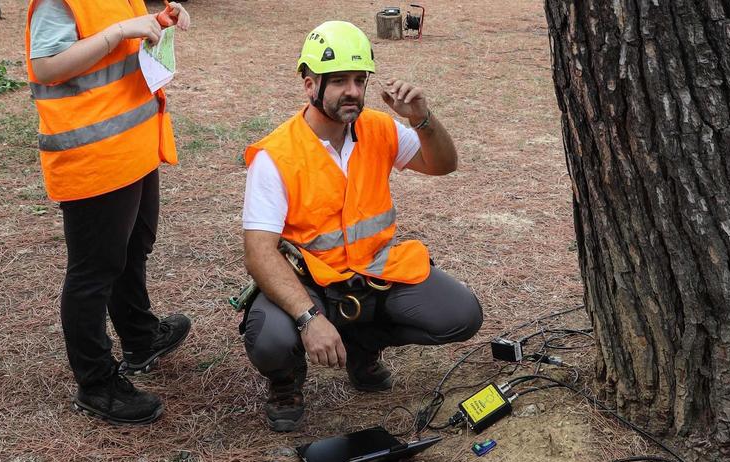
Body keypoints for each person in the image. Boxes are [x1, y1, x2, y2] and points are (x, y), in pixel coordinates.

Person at [241, 21, 484, 432]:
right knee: (270, 339)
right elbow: (259, 252)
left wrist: (422, 118)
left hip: (375, 272)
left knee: (461, 315)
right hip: (310, 283)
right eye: (337, 81)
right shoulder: (276, 155)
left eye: (359, 79)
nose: (352, 90)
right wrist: (308, 319)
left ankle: (361, 346)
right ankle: (286, 380)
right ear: (309, 84)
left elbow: (444, 165)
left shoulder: (379, 128)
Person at [25, 0, 193, 425]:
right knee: (94, 271)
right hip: (93, 157)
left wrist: (158, 22)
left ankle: (140, 337)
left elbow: (124, 37)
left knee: (134, 247)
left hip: (131, 147)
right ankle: (96, 383)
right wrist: (118, 32)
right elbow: (46, 66)